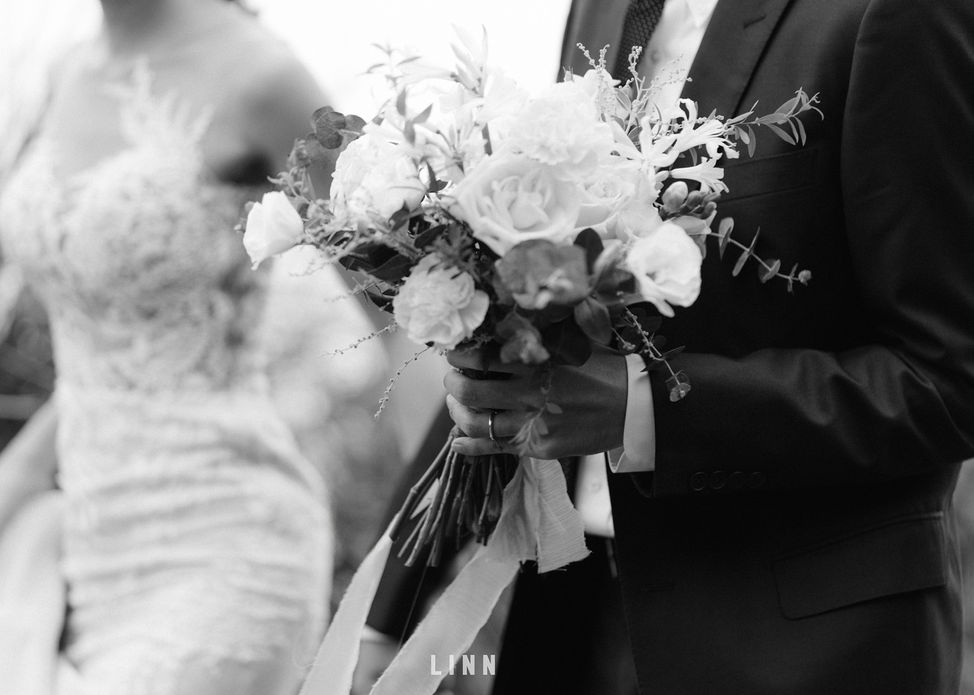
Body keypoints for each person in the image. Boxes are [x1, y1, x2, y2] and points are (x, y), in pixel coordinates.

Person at [363, 0, 974, 693]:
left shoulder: (895, 14)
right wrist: (393, 609)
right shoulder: (606, 10)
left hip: (802, 646)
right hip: (570, 619)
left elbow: (948, 377)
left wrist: (647, 411)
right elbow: (516, 303)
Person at [0, 0, 338, 692]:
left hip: (226, 554)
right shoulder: (68, 67)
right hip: (85, 558)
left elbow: (422, 308)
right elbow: (104, 358)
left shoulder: (264, 79)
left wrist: (424, 563)